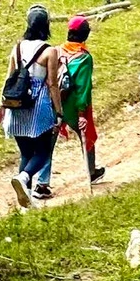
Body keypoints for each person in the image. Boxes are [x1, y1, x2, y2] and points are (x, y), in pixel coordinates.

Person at [0, 4, 62, 205]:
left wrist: (1, 105)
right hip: (38, 105)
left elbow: (9, 78)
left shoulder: (17, 47)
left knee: (26, 153)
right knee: (42, 152)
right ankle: (24, 178)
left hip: (16, 104)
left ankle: (24, 202)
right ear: (46, 25)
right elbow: (52, 83)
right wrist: (58, 112)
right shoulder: (49, 51)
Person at [57, 15, 106, 185]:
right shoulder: (84, 57)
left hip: (55, 102)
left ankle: (42, 182)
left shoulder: (57, 50)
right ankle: (91, 172)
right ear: (85, 35)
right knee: (86, 134)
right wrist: (82, 113)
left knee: (48, 143)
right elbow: (83, 87)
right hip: (73, 104)